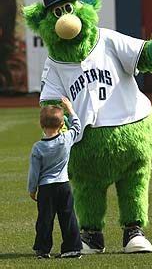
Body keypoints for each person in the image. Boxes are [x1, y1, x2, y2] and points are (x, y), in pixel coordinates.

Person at [27, 96, 82, 259]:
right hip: (64, 186)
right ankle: (72, 248)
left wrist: (32, 189)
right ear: (62, 124)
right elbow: (77, 127)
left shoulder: (38, 147)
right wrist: (69, 108)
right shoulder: (66, 139)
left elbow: (34, 172)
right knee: (68, 217)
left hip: (46, 188)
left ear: (41, 125)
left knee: (45, 219)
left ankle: (43, 250)